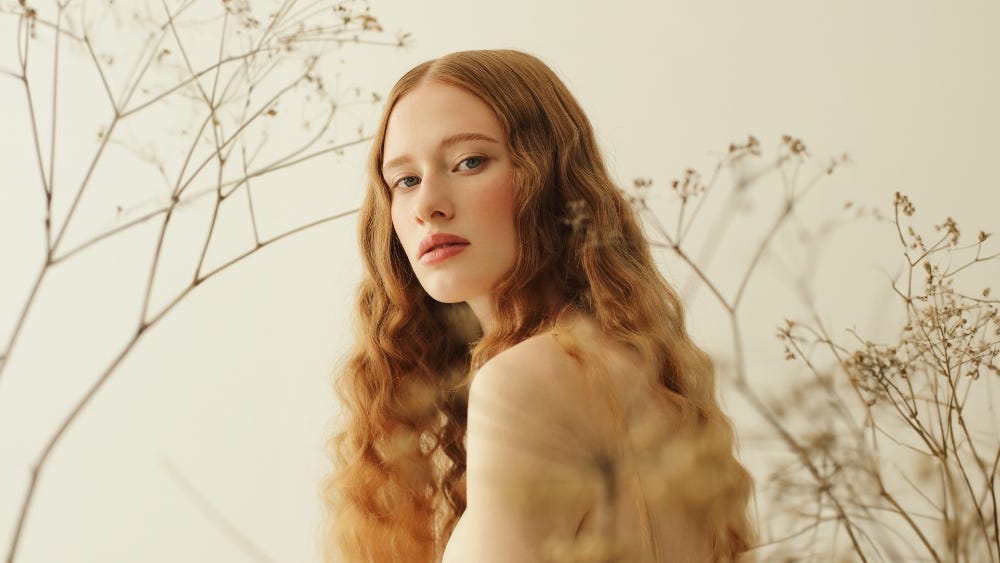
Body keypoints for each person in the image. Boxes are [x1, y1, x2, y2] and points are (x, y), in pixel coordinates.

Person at [323, 49, 754, 562]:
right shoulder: (634, 370)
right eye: (406, 181)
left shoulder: (525, 380)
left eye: (470, 162)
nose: (427, 205)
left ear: (545, 176)